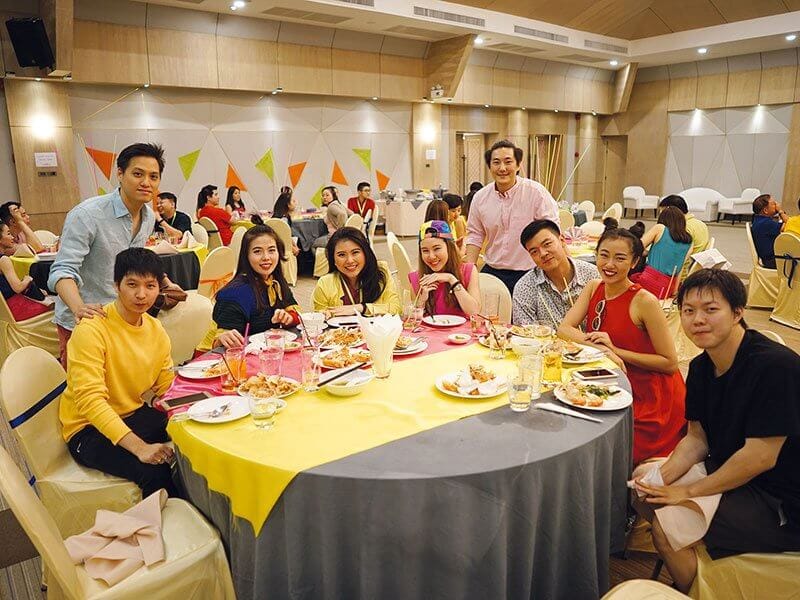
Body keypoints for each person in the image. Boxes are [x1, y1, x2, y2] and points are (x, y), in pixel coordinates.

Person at [633, 269, 800, 593]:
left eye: (710, 309)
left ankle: (696, 590)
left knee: (667, 528)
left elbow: (760, 457)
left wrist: (688, 492)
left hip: (780, 499)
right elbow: (697, 439)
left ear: (738, 312)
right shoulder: (700, 367)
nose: (698, 320)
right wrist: (662, 478)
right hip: (732, 474)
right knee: (644, 485)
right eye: (688, 310)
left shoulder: (776, 367)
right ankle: (703, 565)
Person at [558, 228, 686, 465]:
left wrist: (616, 351)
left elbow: (669, 363)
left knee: (606, 450)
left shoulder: (644, 301)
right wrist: (602, 350)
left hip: (649, 395)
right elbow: (564, 329)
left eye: (620, 258)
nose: (609, 264)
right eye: (604, 255)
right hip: (608, 380)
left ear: (635, 262)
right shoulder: (594, 287)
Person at [59, 248, 178, 497]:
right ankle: (155, 521)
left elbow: (166, 384)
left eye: (150, 285)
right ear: (116, 285)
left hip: (133, 414)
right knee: (156, 472)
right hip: (88, 429)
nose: (141, 294)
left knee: (191, 435)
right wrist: (140, 448)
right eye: (132, 284)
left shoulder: (155, 329)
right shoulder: (92, 329)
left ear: (159, 288)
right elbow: (91, 402)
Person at [48, 143, 163, 367]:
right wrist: (78, 307)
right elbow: (62, 270)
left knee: (121, 382)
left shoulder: (148, 217)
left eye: (153, 176)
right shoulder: (88, 215)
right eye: (138, 174)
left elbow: (134, 265)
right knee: (85, 384)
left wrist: (164, 282)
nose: (146, 182)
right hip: (86, 320)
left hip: (123, 316)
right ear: (120, 174)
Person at [465, 140, 560, 295]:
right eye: (496, 162)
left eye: (508, 162)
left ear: (518, 165)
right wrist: (469, 271)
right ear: (490, 166)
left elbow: (552, 232)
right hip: (493, 270)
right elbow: (475, 235)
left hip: (530, 272)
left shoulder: (536, 193)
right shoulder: (480, 198)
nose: (502, 168)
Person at [205, 225, 301, 349]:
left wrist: (288, 318)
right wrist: (222, 338)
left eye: (271, 250)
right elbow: (220, 347)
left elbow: (297, 314)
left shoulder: (275, 282)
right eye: (257, 251)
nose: (266, 257)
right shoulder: (235, 293)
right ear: (246, 256)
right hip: (222, 357)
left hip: (265, 352)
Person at [512, 219, 598, 327]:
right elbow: (526, 334)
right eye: (534, 252)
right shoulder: (525, 287)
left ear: (562, 240)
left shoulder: (592, 275)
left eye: (547, 244)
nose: (543, 254)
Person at [312, 227, 400, 316]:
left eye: (355, 252)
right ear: (333, 259)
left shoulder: (380, 272)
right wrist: (323, 315)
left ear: (365, 253)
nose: (350, 260)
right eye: (341, 255)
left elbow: (396, 308)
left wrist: (361, 308)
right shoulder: (325, 283)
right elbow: (319, 318)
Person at [408, 220, 480, 317]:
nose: (431, 256)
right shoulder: (417, 278)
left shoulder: (468, 270)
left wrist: (452, 279)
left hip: (463, 327)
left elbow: (475, 312)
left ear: (449, 247)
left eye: (437, 248)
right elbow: (412, 319)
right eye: (425, 251)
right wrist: (422, 300)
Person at [633, 207, 692, 299]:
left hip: (649, 282)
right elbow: (680, 267)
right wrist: (675, 291)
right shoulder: (689, 241)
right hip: (668, 288)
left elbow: (636, 247)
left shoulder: (660, 228)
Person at [0, 222, 51, 320]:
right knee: (55, 307)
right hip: (14, 307)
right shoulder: (3, 260)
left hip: (4, 310)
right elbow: (18, 288)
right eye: (8, 234)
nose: (12, 237)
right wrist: (28, 279)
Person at [659, 195, 709, 278]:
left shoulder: (682, 228)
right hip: (694, 269)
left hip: (680, 273)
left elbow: (672, 256)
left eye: (663, 212)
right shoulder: (701, 224)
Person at [751, 194, 788, 268]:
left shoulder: (758, 220)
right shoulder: (766, 223)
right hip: (774, 261)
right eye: (774, 204)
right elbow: (789, 225)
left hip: (769, 259)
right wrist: (780, 211)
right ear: (765, 210)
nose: (777, 205)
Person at [272, 192, 300, 256]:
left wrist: (294, 245)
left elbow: (287, 235)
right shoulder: (283, 219)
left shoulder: (284, 216)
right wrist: (292, 247)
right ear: (288, 205)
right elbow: (282, 238)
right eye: (293, 201)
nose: (296, 203)